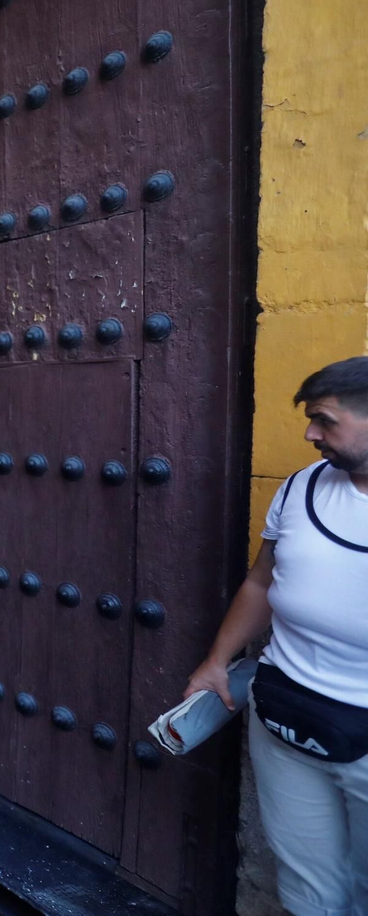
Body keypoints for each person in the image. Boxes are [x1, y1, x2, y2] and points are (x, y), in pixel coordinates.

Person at [183, 356, 368, 916]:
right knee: (308, 889)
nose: (311, 434)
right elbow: (263, 580)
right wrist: (217, 660)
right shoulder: (300, 489)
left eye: (325, 420)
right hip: (283, 718)